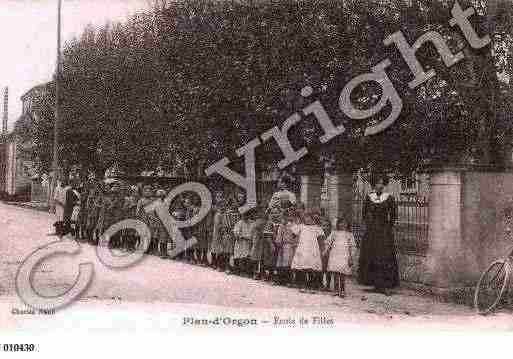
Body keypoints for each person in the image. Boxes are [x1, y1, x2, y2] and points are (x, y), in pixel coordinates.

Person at [357, 173, 399, 296]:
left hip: (384, 231)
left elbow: (393, 216)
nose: (379, 185)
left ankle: (384, 285)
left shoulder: (389, 198)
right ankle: (374, 283)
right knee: (372, 255)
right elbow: (364, 214)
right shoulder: (369, 197)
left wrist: (388, 227)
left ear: (384, 184)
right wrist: (369, 224)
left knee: (384, 256)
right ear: (373, 184)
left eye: (382, 183)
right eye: (377, 183)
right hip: (371, 231)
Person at [289, 211, 325, 293]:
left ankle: (312, 285)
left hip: (313, 250)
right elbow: (293, 234)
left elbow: (321, 239)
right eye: (306, 218)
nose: (308, 219)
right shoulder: (301, 226)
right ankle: (303, 285)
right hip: (303, 249)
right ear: (303, 219)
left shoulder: (316, 228)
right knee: (303, 267)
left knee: (312, 268)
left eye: (309, 218)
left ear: (313, 219)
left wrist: (321, 249)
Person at [323, 216, 356, 297]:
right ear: (338, 224)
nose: (343, 225)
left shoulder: (349, 235)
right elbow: (328, 242)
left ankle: (342, 289)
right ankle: (336, 289)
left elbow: (352, 246)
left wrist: (351, 256)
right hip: (335, 254)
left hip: (344, 255)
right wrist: (326, 251)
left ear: (347, 224)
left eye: (345, 223)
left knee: (342, 273)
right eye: (341, 223)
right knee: (336, 272)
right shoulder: (334, 233)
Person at [274, 207, 298, 286]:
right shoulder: (282, 225)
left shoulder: (295, 225)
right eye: (288, 215)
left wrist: (295, 243)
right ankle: (281, 279)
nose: (289, 216)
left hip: (291, 245)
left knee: (289, 262)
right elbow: (279, 234)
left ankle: (288, 279)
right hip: (283, 244)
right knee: (281, 262)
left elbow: (296, 235)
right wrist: (279, 243)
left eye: (291, 214)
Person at [232, 210, 255, 276]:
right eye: (244, 215)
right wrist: (241, 236)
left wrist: (251, 237)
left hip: (248, 242)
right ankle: (239, 270)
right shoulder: (239, 223)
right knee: (240, 255)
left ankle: (247, 271)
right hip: (241, 242)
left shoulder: (252, 223)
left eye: (247, 215)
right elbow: (236, 232)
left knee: (247, 255)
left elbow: (253, 232)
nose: (245, 217)